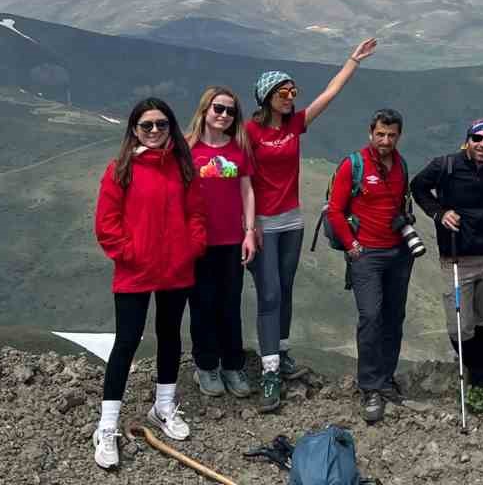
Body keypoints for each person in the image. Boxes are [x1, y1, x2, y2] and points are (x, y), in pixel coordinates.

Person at [246, 37, 377, 412]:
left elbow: (330, 94)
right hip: (262, 225)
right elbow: (230, 165)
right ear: (267, 96)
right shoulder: (250, 132)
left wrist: (353, 61)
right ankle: (269, 373)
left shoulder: (296, 125)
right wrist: (248, 224)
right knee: (268, 294)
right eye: (284, 91)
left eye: (293, 90)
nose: (291, 96)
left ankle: (281, 353)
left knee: (284, 290)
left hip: (292, 222)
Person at [92, 98, 207, 471]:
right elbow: (106, 223)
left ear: (171, 127)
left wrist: (191, 248)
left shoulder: (183, 168)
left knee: (170, 335)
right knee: (126, 341)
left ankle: (163, 407)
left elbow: (196, 215)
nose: (155, 131)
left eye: (161, 124)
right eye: (147, 126)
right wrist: (130, 253)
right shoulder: (120, 169)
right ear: (134, 130)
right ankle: (107, 427)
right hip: (135, 271)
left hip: (176, 269)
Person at [410, 117, 483, 399]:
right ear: (468, 140)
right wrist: (438, 212)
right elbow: (418, 187)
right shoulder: (446, 165)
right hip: (456, 256)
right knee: (460, 324)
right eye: (477, 138)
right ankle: (472, 366)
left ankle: (481, 375)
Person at [328, 107, 415, 425]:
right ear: (370, 132)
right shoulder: (354, 164)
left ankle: (386, 379)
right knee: (371, 317)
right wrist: (352, 246)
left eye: (391, 135)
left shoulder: (401, 164)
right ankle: (369, 388)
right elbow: (335, 211)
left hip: (398, 253)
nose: (386, 140)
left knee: (394, 318)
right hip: (367, 255)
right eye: (381, 134)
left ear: (398, 136)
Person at [184, 86, 258, 401]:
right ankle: (205, 365)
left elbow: (247, 191)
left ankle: (232, 365)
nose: (224, 115)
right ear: (205, 109)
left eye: (230, 111)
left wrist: (250, 231)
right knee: (201, 305)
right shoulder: (187, 149)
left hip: (230, 240)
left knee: (229, 304)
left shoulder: (239, 148)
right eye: (219, 108)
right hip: (198, 241)